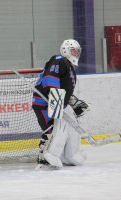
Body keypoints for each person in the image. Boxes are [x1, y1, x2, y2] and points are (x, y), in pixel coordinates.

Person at [32, 39, 89, 169]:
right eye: (73, 50)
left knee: (66, 128)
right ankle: (43, 159)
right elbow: (50, 79)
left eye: (77, 51)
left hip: (54, 100)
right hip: (44, 103)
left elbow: (64, 89)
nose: (76, 53)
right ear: (65, 50)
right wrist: (57, 102)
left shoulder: (69, 66)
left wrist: (73, 102)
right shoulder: (59, 59)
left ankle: (67, 155)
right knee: (53, 129)